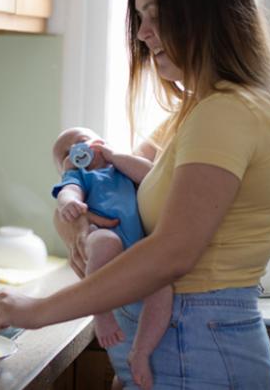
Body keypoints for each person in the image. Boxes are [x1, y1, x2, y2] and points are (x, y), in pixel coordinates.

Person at [0, 0, 270, 389]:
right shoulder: (196, 113)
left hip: (197, 349)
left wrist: (36, 310)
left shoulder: (226, 114)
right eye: (140, 16)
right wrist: (75, 222)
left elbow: (172, 253)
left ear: (206, 15)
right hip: (186, 348)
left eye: (158, 16)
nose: (144, 33)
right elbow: (103, 182)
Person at [52, 126, 172, 387]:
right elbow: (66, 192)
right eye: (67, 152)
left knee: (162, 288)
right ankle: (101, 313)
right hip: (103, 238)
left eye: (84, 141)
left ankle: (140, 352)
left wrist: (114, 156)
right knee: (106, 241)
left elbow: (152, 175)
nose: (77, 149)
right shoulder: (79, 177)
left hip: (135, 249)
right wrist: (69, 204)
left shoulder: (122, 168)